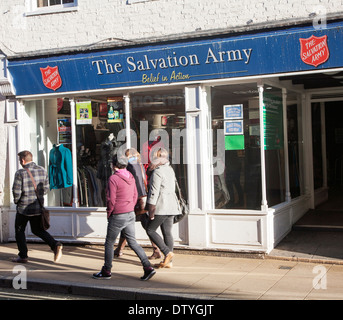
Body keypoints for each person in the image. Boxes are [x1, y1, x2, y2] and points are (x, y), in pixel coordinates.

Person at [93, 154, 156, 281]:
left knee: (109, 243)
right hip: (129, 213)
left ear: (114, 165)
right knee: (132, 242)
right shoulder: (131, 176)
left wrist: (109, 212)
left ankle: (106, 270)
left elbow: (111, 199)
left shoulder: (113, 179)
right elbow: (135, 195)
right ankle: (148, 267)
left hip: (118, 214)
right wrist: (130, 207)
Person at [12, 150, 63, 263]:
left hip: (23, 209)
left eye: (20, 160)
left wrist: (17, 201)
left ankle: (23, 255)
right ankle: (55, 244)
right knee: (37, 230)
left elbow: (16, 191)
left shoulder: (20, 173)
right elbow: (45, 189)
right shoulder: (42, 170)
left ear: (22, 160)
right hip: (37, 207)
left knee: (19, 231)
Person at [113, 148, 162, 260]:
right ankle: (156, 250)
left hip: (137, 198)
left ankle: (120, 250)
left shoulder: (131, 165)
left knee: (127, 222)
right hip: (143, 197)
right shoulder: (139, 164)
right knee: (142, 224)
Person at [146, 148, 181, 269]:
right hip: (172, 205)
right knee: (167, 232)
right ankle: (169, 262)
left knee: (150, 230)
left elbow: (154, 192)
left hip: (161, 205)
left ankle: (167, 252)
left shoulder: (158, 172)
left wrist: (151, 209)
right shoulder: (170, 169)